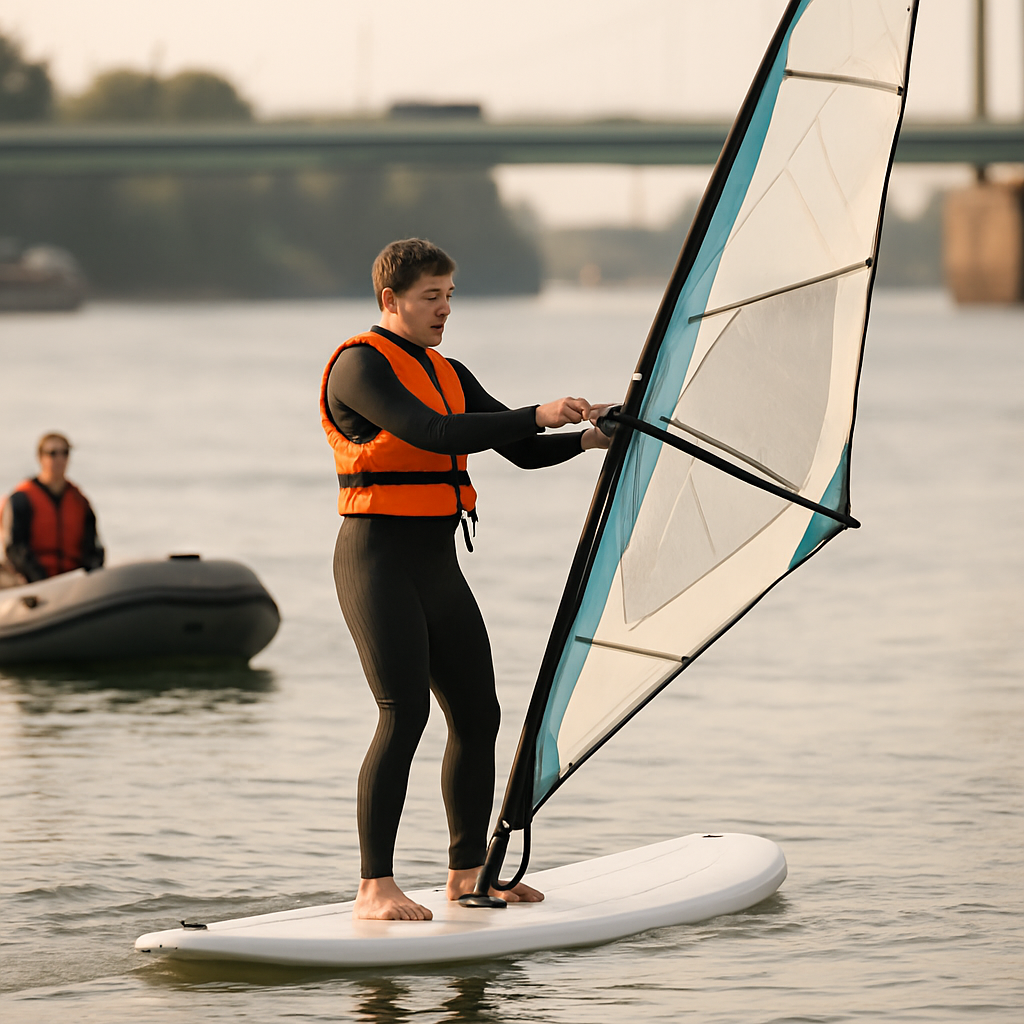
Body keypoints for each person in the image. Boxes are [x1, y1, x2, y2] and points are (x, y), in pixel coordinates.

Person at [320, 238, 611, 921]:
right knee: (404, 714)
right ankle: (374, 887)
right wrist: (538, 410)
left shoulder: (451, 371)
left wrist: (589, 439)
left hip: (438, 563)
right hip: (377, 559)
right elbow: (435, 433)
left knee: (478, 715)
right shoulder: (359, 367)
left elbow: (518, 451)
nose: (445, 309)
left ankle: (466, 874)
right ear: (390, 300)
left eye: (450, 295)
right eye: (431, 297)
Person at [0, 433, 104, 588]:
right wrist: (42, 581)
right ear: (41, 457)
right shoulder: (21, 499)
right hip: (29, 583)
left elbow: (93, 548)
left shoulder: (79, 502)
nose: (59, 459)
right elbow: (15, 548)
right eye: (53, 453)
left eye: (65, 453)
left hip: (72, 584)